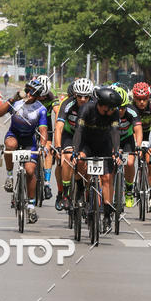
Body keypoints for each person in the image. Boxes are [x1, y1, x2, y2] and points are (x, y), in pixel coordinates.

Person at [0, 78, 48, 224]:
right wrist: (12, 99)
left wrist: (43, 146)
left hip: (28, 141)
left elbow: (43, 130)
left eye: (34, 93)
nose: (30, 94)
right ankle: (10, 176)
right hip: (14, 135)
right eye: (28, 90)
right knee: (10, 146)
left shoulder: (41, 109)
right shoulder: (17, 102)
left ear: (37, 96)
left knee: (30, 171)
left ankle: (31, 205)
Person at [71, 86, 122, 232]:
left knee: (106, 178)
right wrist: (75, 151)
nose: (113, 111)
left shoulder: (114, 113)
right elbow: (79, 131)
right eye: (110, 108)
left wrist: (116, 151)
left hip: (103, 145)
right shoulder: (86, 109)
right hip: (86, 144)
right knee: (80, 160)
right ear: (102, 105)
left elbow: (115, 132)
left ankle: (107, 214)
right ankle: (80, 188)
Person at [54, 78, 94, 210]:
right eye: (79, 96)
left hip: (87, 136)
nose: (82, 99)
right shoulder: (67, 104)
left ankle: (83, 188)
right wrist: (58, 148)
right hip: (69, 135)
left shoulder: (95, 105)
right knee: (68, 158)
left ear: (90, 96)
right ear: (74, 95)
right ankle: (65, 194)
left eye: (86, 96)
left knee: (84, 162)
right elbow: (59, 127)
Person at [112, 86, 143, 208]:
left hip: (126, 139)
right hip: (111, 139)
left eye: (123, 107)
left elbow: (138, 130)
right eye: (118, 108)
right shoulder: (108, 111)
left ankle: (129, 190)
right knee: (110, 163)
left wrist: (138, 146)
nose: (121, 110)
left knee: (130, 163)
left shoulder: (132, 111)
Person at [35, 75, 58, 199]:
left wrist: (58, 126)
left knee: (48, 150)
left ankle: (47, 184)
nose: (43, 98)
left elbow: (57, 111)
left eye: (45, 95)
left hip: (46, 121)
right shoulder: (31, 90)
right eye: (40, 95)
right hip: (33, 119)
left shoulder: (51, 94)